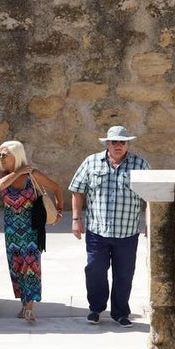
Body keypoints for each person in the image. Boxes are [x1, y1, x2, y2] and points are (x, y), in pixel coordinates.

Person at [68, 125, 150, 328]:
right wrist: (76, 220)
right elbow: (77, 190)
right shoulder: (91, 162)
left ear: (127, 144)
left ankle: (120, 312)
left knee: (124, 275)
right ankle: (95, 308)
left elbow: (150, 196)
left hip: (127, 232)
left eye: (122, 142)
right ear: (107, 143)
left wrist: (150, 223)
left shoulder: (140, 164)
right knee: (95, 270)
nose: (118, 145)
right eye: (114, 142)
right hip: (97, 231)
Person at [0, 140, 63, 323]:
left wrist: (59, 210)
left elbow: (56, 187)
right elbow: (1, 185)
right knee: (16, 266)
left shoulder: (32, 175)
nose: (1, 158)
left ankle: (30, 308)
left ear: (16, 155)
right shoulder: (3, 175)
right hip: (11, 230)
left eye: (5, 155)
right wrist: (18, 171)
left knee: (31, 266)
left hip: (31, 229)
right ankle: (24, 304)